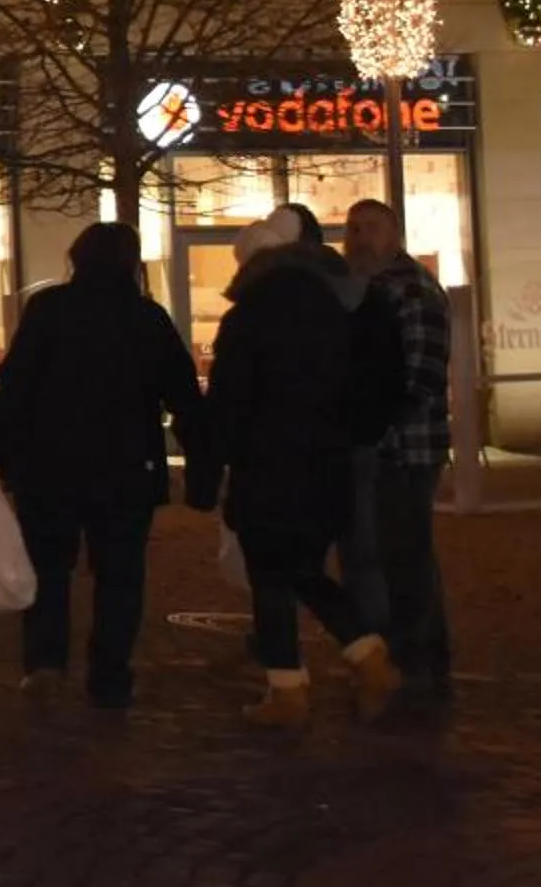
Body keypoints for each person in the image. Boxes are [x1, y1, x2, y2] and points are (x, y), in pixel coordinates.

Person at [0, 221, 213, 708]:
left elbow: (15, 384)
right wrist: (204, 462)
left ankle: (46, 662)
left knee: (47, 567)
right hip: (125, 467)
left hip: (48, 466)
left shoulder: (48, 310)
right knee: (121, 574)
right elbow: (183, 394)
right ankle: (109, 671)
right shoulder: (145, 318)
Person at [201, 206, 400, 725]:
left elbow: (228, 401)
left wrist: (207, 469)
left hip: (266, 467)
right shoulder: (334, 307)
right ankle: (362, 657)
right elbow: (363, 385)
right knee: (305, 570)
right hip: (327, 464)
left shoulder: (247, 317)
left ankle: (293, 687)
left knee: (272, 576)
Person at [341, 196, 454, 704]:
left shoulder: (410, 291)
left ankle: (418, 658)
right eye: (353, 228)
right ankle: (415, 655)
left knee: (405, 553)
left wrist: (387, 419)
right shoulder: (371, 289)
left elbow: (425, 372)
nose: (360, 237)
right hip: (390, 442)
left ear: (395, 235)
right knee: (398, 553)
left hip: (408, 447)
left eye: (371, 227)